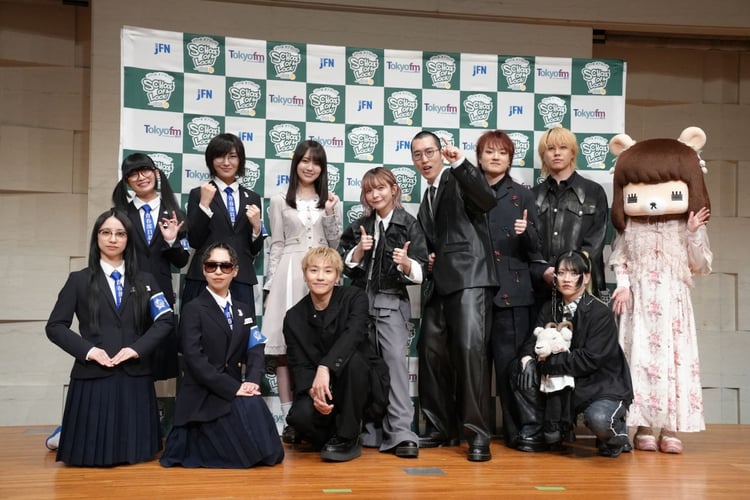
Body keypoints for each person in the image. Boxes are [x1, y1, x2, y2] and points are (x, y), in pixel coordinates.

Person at [609, 128, 713, 454]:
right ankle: (643, 426)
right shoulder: (631, 227)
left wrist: (693, 233)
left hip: (673, 304)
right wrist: (623, 286)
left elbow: (701, 264)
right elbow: (620, 259)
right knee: (639, 360)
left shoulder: (685, 225)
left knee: (673, 360)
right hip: (639, 304)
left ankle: (670, 427)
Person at [46, 208, 174, 466]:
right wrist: (89, 351)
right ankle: (62, 436)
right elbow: (55, 326)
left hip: (135, 374)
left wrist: (137, 349)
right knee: (89, 454)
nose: (113, 239)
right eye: (106, 232)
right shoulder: (78, 280)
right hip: (93, 373)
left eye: (120, 233)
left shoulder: (146, 280)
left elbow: (165, 320)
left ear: (128, 239)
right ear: (97, 237)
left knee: (137, 455)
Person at [411, 130, 498, 462]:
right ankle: (439, 427)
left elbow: (486, 200)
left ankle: (478, 435)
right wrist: (430, 258)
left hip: (470, 278)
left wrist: (461, 163)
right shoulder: (427, 196)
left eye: (429, 152)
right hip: (440, 284)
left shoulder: (458, 178)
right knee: (430, 351)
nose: (424, 159)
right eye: (417, 154)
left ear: (441, 153)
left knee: (470, 353)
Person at [160, 242, 284, 468]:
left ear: (235, 271)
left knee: (270, 454)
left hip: (236, 389)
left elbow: (255, 348)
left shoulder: (244, 308)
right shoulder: (193, 309)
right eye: (212, 266)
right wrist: (233, 388)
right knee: (245, 456)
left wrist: (252, 382)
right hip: (204, 393)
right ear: (203, 270)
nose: (218, 271)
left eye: (225, 266)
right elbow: (194, 359)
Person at [338, 167, 428, 459]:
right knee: (363, 366)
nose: (375, 195)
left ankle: (401, 432)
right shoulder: (360, 226)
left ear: (393, 189)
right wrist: (358, 252)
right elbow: (342, 264)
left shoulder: (408, 224)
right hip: (359, 303)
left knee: (395, 367)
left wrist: (406, 263)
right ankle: (370, 431)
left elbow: (422, 271)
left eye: (380, 188)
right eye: (369, 190)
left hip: (391, 301)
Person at [512, 250, 633, 458]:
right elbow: (532, 341)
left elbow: (589, 359)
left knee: (599, 419)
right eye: (561, 273)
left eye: (573, 273)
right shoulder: (550, 308)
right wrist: (527, 358)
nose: (566, 279)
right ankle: (539, 431)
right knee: (519, 368)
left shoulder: (600, 312)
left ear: (586, 277)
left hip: (600, 384)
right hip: (568, 382)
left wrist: (546, 363)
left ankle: (618, 434)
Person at [263, 140, 342, 444]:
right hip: (288, 275)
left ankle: (320, 414)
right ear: (296, 163)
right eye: (305, 160)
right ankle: (290, 420)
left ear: (322, 168)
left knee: (320, 347)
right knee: (285, 351)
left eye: (316, 162)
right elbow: (276, 245)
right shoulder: (278, 200)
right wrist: (270, 287)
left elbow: (335, 244)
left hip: (322, 273)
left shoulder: (330, 201)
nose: (310, 167)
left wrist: (331, 213)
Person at [475, 130, 543, 449]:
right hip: (475, 291)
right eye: (489, 152)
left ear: (510, 159)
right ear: (479, 158)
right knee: (474, 369)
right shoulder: (468, 193)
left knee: (510, 367)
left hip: (512, 293)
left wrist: (525, 231)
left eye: (502, 153)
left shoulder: (522, 195)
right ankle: (474, 431)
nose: (495, 157)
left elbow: (538, 248)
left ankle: (519, 431)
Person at [283, 247, 372, 462]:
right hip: (320, 388)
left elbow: (354, 335)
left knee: (354, 360)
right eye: (314, 270)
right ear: (305, 275)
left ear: (337, 276)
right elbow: (299, 365)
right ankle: (332, 433)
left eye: (328, 271)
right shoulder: (293, 316)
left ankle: (348, 436)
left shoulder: (355, 297)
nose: (320, 277)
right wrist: (314, 394)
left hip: (355, 383)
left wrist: (326, 367)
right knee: (300, 417)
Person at [112, 152, 188, 380]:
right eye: (133, 174)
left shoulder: (175, 214)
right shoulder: (119, 215)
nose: (141, 177)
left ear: (156, 173)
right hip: (126, 294)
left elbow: (182, 260)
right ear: (127, 181)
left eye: (145, 170)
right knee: (127, 360)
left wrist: (171, 241)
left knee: (158, 362)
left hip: (160, 296)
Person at [182, 133, 266, 314]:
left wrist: (257, 228)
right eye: (220, 156)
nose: (226, 162)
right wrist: (204, 206)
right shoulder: (199, 194)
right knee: (198, 328)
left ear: (240, 160)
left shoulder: (252, 197)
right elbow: (194, 240)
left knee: (241, 329)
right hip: (205, 276)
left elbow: (254, 249)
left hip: (241, 277)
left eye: (232, 156)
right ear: (211, 160)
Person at [531, 126, 609, 303]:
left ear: (573, 153)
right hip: (542, 290)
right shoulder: (533, 195)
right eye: (550, 148)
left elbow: (595, 242)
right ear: (543, 155)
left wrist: (569, 273)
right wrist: (544, 271)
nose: (557, 153)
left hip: (584, 288)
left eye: (563, 147)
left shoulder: (594, 192)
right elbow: (530, 244)